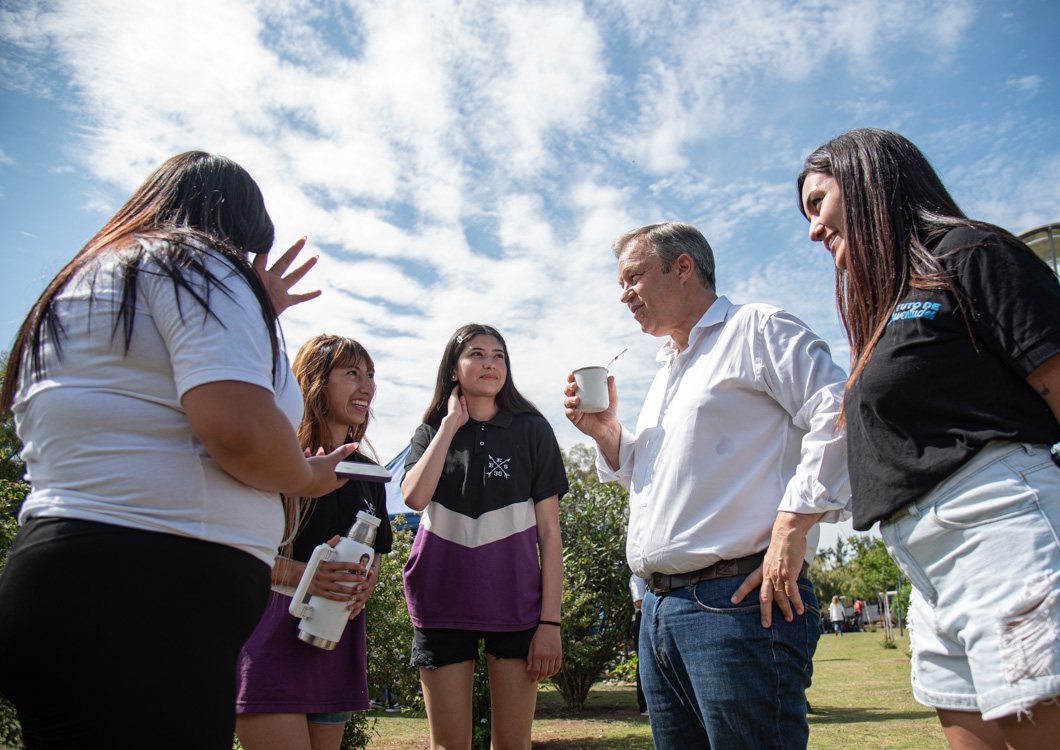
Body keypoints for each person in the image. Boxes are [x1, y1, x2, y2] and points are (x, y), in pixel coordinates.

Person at [0, 152, 352, 749]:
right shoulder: (200, 265)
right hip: (148, 600)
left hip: (66, 575)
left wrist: (256, 310)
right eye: (245, 247)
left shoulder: (90, 279)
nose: (243, 264)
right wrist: (307, 477)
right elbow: (237, 429)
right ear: (233, 226)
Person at [798, 128, 1060, 749]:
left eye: (817, 203)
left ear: (867, 181)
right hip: (922, 563)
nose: (812, 230)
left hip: (997, 527)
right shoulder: (890, 305)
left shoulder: (969, 253)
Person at [563, 222, 851, 750]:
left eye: (633, 278)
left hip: (737, 605)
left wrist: (793, 527)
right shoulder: (669, 370)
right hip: (658, 614)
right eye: (620, 283)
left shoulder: (756, 328)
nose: (624, 294)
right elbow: (651, 478)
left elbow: (837, 409)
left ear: (683, 266)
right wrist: (607, 435)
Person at [401, 323, 568, 750]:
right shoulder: (431, 433)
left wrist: (550, 622)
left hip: (515, 604)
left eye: (499, 356)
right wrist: (449, 426)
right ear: (454, 370)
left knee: (513, 744)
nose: (490, 364)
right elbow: (414, 497)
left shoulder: (533, 430)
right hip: (440, 601)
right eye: (476, 354)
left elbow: (550, 534)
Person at [235, 334, 394, 750]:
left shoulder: (370, 474)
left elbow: (373, 556)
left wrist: (367, 581)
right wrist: (304, 574)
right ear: (317, 382)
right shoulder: (277, 457)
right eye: (353, 373)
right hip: (270, 634)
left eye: (371, 375)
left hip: (335, 637)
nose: (367, 386)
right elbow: (234, 549)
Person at [629, 574, 649, 716]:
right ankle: (644, 705)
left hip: (649, 615)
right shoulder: (637, 577)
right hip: (642, 618)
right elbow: (638, 602)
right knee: (644, 663)